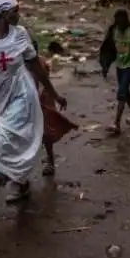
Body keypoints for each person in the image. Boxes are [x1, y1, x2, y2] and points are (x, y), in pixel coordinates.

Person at [0, 0, 67, 222]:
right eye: (15, 11)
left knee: (5, 143)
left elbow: (34, 65)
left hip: (20, 92)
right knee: (2, 143)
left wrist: (53, 93)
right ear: (3, 13)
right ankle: (21, 184)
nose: (19, 15)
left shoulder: (21, 34)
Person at [99, 8, 130, 136]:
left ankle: (116, 123)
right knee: (125, 92)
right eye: (117, 20)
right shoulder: (113, 31)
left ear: (126, 20)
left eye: (121, 20)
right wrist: (105, 66)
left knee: (121, 91)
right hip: (119, 64)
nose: (119, 23)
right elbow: (108, 49)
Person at [35, 39, 77, 176]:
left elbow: (44, 82)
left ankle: (50, 161)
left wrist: (55, 97)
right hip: (28, 100)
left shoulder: (40, 63)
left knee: (46, 132)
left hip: (41, 99)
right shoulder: (17, 63)